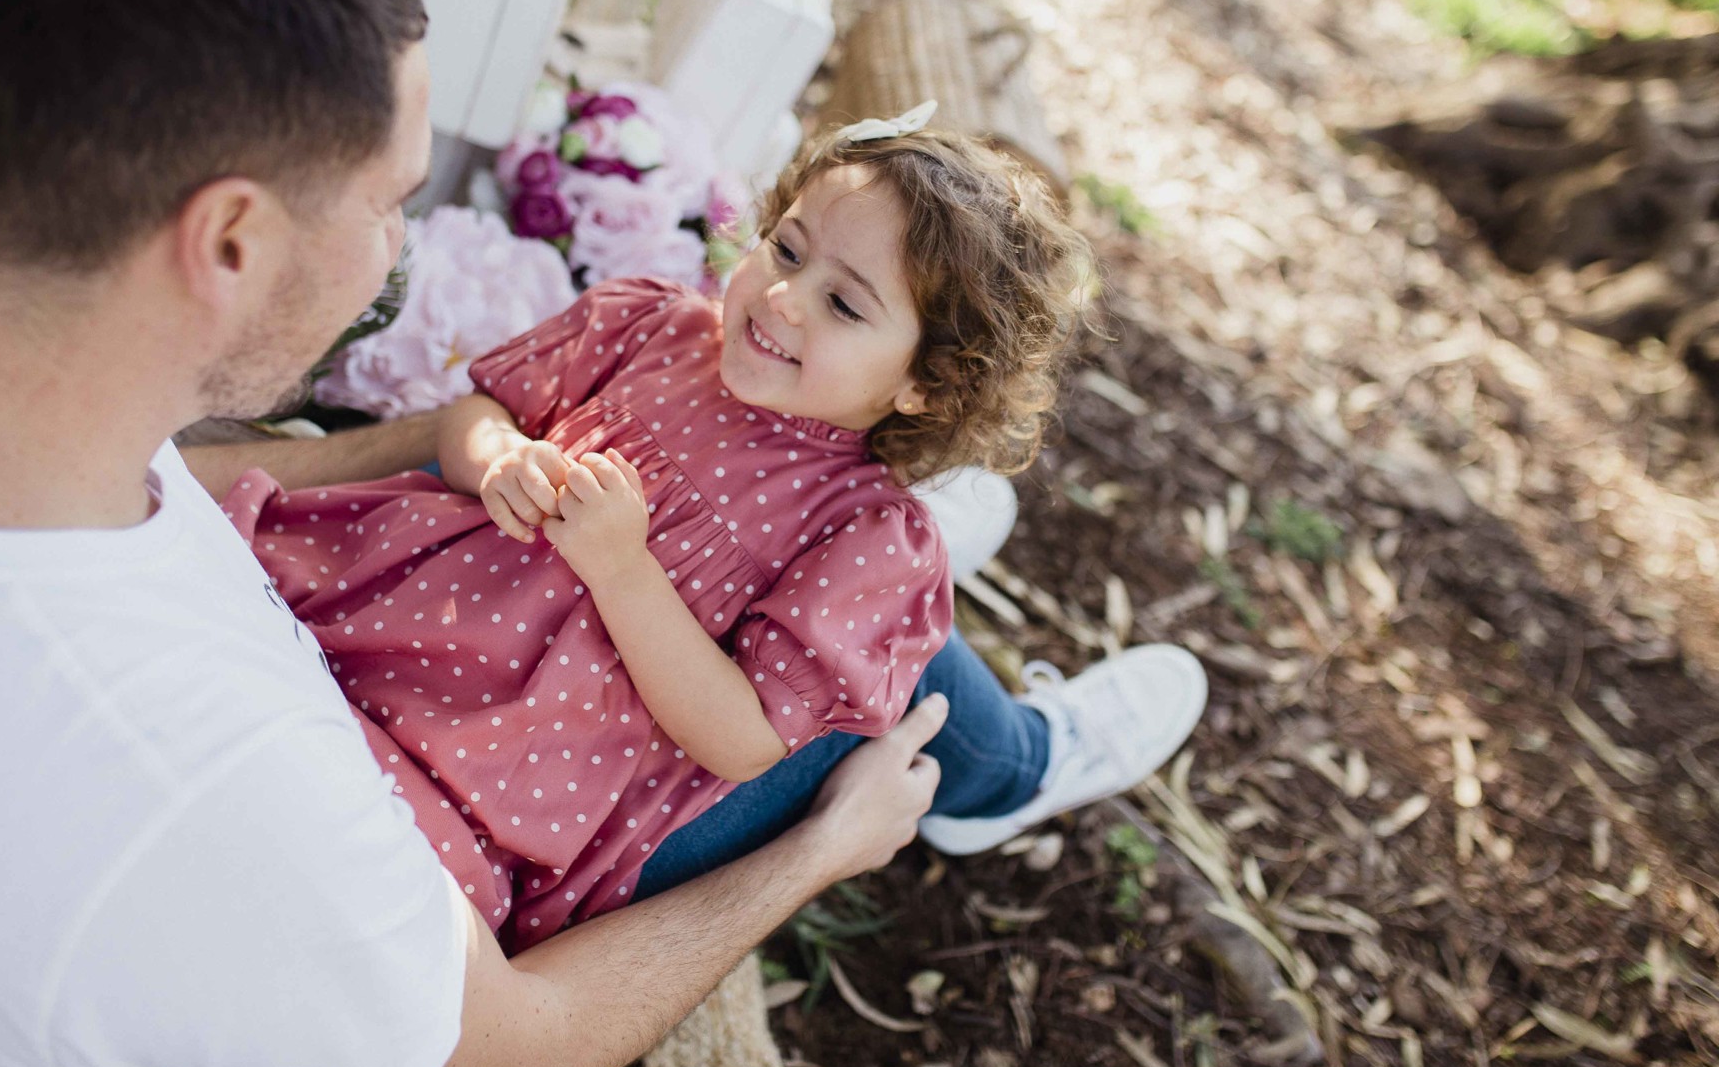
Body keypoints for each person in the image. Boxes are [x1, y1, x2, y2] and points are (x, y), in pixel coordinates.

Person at [0, 0, 949, 1067]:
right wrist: (814, 857)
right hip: (470, 776)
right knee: (896, 660)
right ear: (233, 239)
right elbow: (512, 1047)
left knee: (865, 562)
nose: (396, 255)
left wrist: (436, 453)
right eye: (385, 205)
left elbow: (186, 476)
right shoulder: (243, 799)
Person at [221, 116, 1207, 949]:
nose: (779, 295)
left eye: (841, 301)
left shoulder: (865, 539)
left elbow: (741, 738)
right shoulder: (653, 330)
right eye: (785, 248)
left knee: (880, 625)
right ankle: (889, 628)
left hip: (535, 748)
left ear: (924, 381)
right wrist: (496, 458)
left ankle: (1012, 765)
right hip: (406, 615)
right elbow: (477, 409)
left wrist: (620, 567)